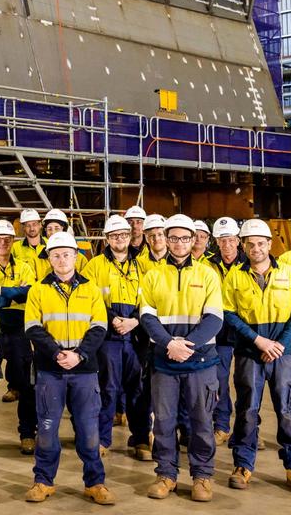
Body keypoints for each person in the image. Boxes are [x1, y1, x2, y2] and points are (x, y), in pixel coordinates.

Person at [23, 231, 115, 506]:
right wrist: (57, 354)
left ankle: (95, 483)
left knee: (89, 432)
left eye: (66, 254)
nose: (61, 259)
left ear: (76, 256)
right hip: (50, 371)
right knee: (48, 429)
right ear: (49, 259)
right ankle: (43, 481)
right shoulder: (38, 290)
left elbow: (99, 327)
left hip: (84, 371)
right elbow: (32, 328)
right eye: (56, 254)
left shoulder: (91, 290)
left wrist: (80, 355)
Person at [139, 215, 224, 502]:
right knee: (163, 421)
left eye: (184, 238)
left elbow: (214, 319)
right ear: (165, 239)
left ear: (193, 239)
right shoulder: (152, 275)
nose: (178, 243)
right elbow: (147, 317)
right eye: (172, 237)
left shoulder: (208, 274)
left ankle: (202, 476)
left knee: (201, 421)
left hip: (200, 362)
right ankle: (166, 474)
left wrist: (186, 346)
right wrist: (168, 345)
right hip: (165, 362)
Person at [223, 219, 291, 495]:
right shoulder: (235, 276)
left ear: (269, 245)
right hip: (250, 351)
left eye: (261, 243)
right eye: (250, 244)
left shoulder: (289, 274)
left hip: (284, 353)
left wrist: (279, 346)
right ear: (244, 246)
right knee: (248, 409)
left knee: (287, 409)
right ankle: (243, 465)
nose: (256, 248)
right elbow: (228, 314)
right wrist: (258, 341)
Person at [83, 215, 151, 460]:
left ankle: (141, 439)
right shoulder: (95, 266)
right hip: (109, 336)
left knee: (138, 389)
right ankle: (102, 439)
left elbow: (151, 300)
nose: (119, 239)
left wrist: (135, 320)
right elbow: (91, 298)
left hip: (136, 336)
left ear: (129, 236)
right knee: (107, 388)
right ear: (107, 239)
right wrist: (112, 318)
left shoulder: (144, 265)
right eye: (114, 236)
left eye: (123, 235)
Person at [0, 219, 37, 454]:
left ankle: (27, 433)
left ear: (13, 241)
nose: (2, 243)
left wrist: (0, 291)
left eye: (7, 239)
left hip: (19, 328)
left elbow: (30, 293)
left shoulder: (25, 266)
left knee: (26, 383)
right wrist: (12, 295)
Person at [209, 216, 246, 444]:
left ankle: (246, 429)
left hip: (244, 332)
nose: (227, 245)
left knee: (246, 383)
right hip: (220, 333)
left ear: (238, 240)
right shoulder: (208, 264)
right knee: (220, 379)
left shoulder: (248, 263)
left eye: (231, 240)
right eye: (222, 241)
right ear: (216, 241)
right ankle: (222, 425)